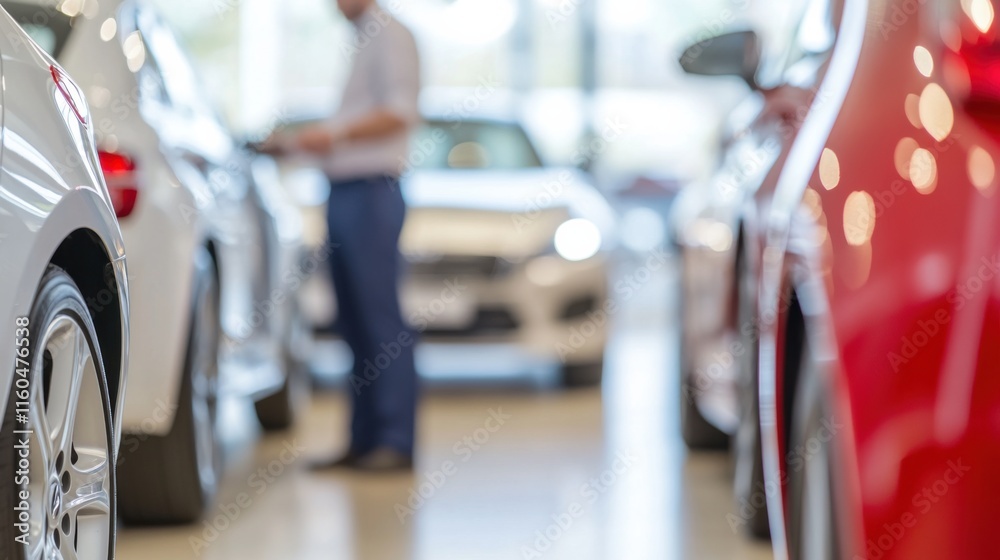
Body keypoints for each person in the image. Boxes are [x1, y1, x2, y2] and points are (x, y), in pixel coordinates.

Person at [263, 0, 421, 472]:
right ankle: (363, 441)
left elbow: (399, 112)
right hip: (345, 190)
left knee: (379, 319)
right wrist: (298, 146)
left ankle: (394, 441)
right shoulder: (363, 37)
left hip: (371, 193)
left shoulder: (390, 33)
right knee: (352, 321)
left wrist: (329, 136)